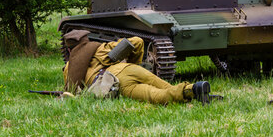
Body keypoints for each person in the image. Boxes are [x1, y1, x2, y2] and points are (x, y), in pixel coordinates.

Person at [62, 29, 215, 105]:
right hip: (132, 69)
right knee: (165, 86)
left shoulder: (70, 67)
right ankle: (194, 91)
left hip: (118, 82)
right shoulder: (101, 48)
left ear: (70, 50)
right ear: (86, 41)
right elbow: (136, 41)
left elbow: (71, 91)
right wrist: (129, 63)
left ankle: (194, 90)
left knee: (154, 96)